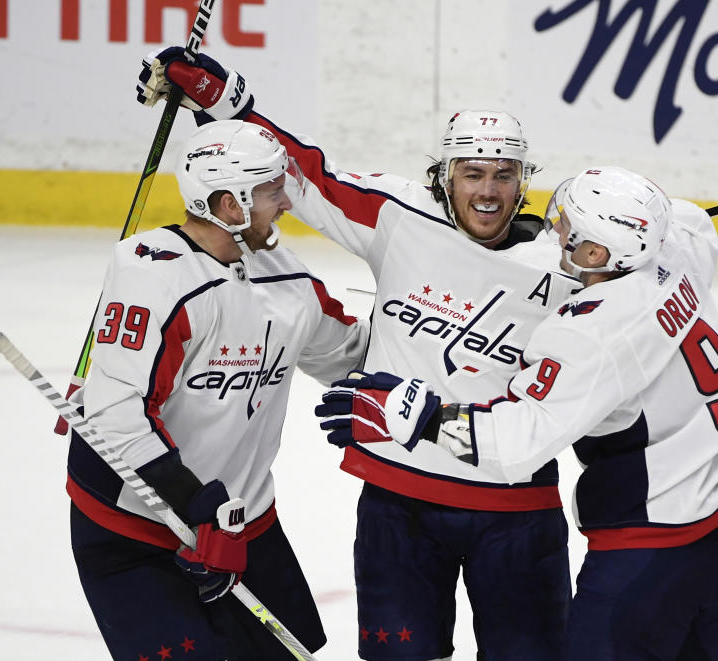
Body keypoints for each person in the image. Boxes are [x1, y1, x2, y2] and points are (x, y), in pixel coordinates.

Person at [135, 47, 581, 660]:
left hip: (518, 511)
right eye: (472, 174)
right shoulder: (400, 219)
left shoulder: (566, 265)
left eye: (504, 175)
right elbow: (306, 179)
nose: (488, 190)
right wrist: (226, 106)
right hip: (400, 505)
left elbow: (653, 292)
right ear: (444, 177)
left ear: (523, 181)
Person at [315, 166, 718, 660]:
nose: (552, 228)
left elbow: (519, 442)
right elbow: (687, 221)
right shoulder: (683, 248)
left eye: (567, 228)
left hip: (654, 550)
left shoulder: (591, 334)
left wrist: (419, 416)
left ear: (599, 251)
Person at [66, 119, 369, 660]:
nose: (285, 201)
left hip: (242, 520)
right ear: (230, 205)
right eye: (272, 190)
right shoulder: (153, 271)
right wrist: (195, 506)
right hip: (136, 529)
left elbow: (350, 353)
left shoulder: (287, 278)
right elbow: (114, 411)